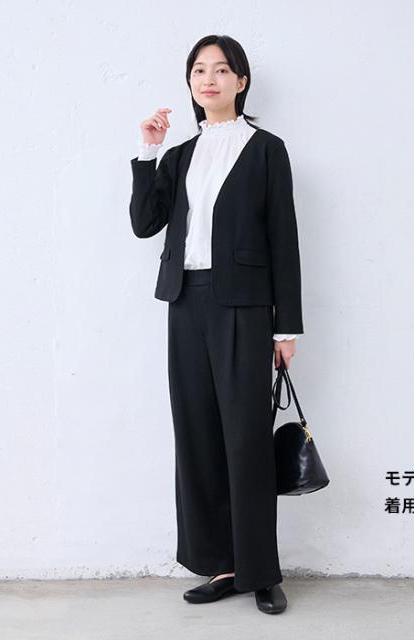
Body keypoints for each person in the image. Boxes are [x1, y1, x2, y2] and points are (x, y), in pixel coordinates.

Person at [128, 34, 303, 615]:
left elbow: (284, 240)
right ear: (191, 83)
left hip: (244, 308)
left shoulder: (267, 150)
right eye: (200, 70)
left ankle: (261, 571)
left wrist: (286, 328)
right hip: (185, 303)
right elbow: (145, 223)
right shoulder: (178, 154)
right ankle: (221, 565)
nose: (210, 79)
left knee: (246, 439)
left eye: (222, 69)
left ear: (241, 82)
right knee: (198, 435)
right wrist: (148, 151)